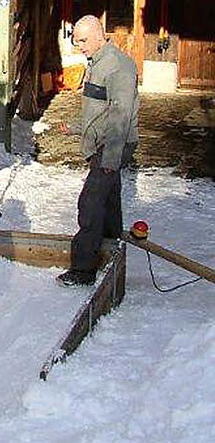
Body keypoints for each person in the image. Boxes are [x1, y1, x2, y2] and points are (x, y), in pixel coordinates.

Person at [57, 15, 139, 287]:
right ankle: (111, 247)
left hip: (115, 144)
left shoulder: (118, 67)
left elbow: (120, 116)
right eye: (76, 40)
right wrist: (76, 127)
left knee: (90, 201)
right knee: (108, 197)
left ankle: (83, 269)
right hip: (102, 142)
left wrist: (111, 159)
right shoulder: (96, 63)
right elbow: (97, 112)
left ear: (98, 34)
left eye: (82, 40)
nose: (79, 46)